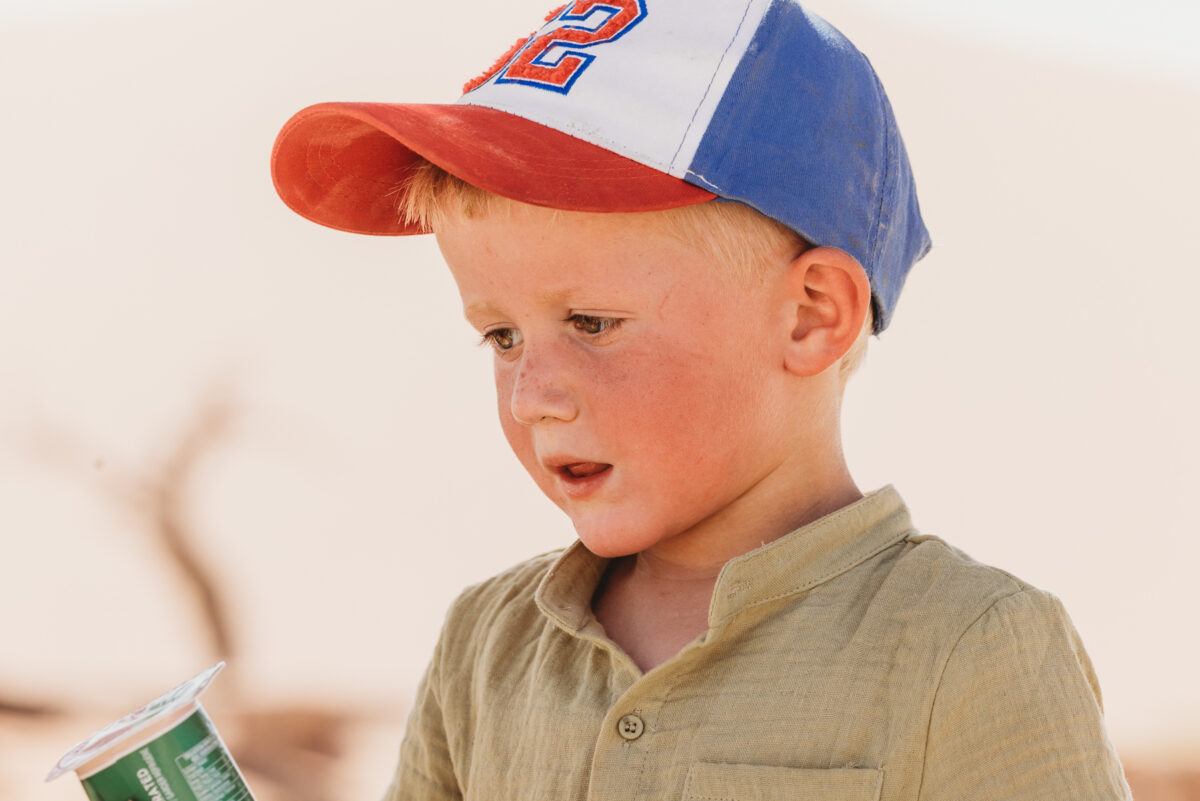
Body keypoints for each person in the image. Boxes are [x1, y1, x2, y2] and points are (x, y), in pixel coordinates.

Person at [270, 1, 1132, 798]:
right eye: (501, 337)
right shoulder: (485, 645)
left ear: (810, 317)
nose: (532, 397)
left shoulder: (971, 645)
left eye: (592, 322)